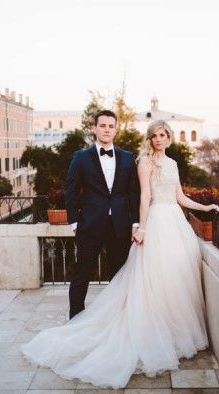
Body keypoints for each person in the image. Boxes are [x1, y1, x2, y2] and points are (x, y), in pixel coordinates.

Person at [21, 120, 219, 389]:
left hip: (175, 223)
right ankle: (79, 321)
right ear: (149, 139)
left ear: (169, 137)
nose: (158, 139)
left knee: (172, 278)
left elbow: (181, 198)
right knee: (132, 277)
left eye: (162, 135)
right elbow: (143, 195)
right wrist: (142, 228)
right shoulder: (143, 161)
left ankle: (171, 332)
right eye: (154, 135)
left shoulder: (171, 164)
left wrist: (206, 207)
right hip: (153, 223)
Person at [64, 110, 140, 319]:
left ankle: (117, 319)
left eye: (111, 126)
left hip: (120, 225)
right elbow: (70, 191)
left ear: (116, 129)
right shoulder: (81, 158)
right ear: (95, 128)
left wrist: (135, 223)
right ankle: (76, 319)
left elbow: (133, 193)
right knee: (82, 274)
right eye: (103, 125)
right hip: (89, 225)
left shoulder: (127, 158)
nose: (107, 130)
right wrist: (74, 223)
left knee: (119, 275)